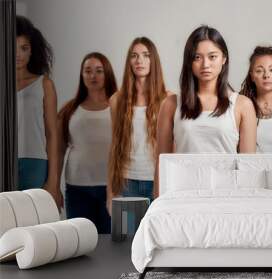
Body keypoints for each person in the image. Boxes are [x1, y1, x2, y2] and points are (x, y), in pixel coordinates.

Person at [155, 26, 257, 197]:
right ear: (189, 61)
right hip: (182, 196)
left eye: (212, 57)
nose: (205, 64)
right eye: (197, 57)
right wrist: (158, 205)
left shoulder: (242, 105)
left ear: (224, 58)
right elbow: (161, 165)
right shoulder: (171, 104)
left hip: (227, 198)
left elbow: (248, 169)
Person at [107, 37, 171, 213]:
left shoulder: (169, 100)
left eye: (145, 55)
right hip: (127, 181)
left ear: (153, 60)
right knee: (129, 239)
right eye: (134, 56)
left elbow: (174, 146)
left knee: (157, 238)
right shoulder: (116, 100)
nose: (139, 60)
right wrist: (110, 192)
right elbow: (114, 147)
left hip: (157, 181)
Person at [58, 52, 117, 233]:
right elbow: (58, 150)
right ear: (81, 75)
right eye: (88, 71)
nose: (93, 76)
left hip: (113, 188)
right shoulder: (70, 109)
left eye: (99, 71)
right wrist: (53, 186)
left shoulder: (119, 107)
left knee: (115, 242)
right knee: (80, 240)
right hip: (77, 188)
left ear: (107, 73)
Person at [16, 15, 62, 210]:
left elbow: (52, 134)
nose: (18, 54)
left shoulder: (44, 84)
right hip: (4, 159)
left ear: (32, 50)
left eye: (24, 48)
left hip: (35, 162)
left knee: (32, 219)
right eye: (13, 46)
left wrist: (53, 181)